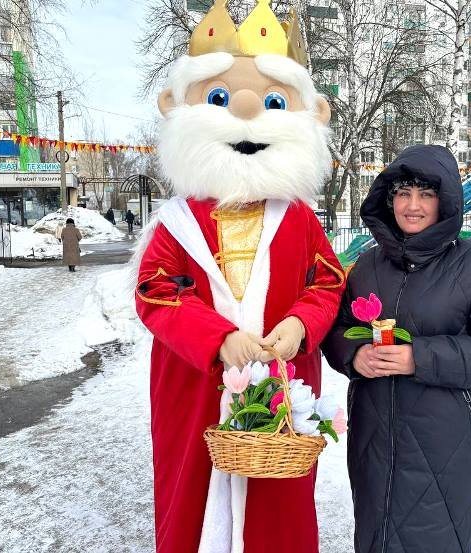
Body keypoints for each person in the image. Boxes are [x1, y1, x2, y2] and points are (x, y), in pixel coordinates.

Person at [132, 1, 345, 551]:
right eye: (220, 99)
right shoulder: (178, 221)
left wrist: (300, 324)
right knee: (193, 493)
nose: (247, 113)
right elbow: (154, 290)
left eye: (273, 102)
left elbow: (326, 282)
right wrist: (218, 338)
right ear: (177, 108)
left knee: (278, 506)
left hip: (281, 382)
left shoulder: (299, 218)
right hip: (195, 386)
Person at [323, 145, 471, 553]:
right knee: (376, 535)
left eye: (426, 194)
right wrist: (354, 355)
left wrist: (418, 357)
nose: (413, 205)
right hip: (374, 440)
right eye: (403, 193)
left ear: (445, 201)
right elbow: (338, 328)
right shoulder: (368, 266)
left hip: (447, 443)